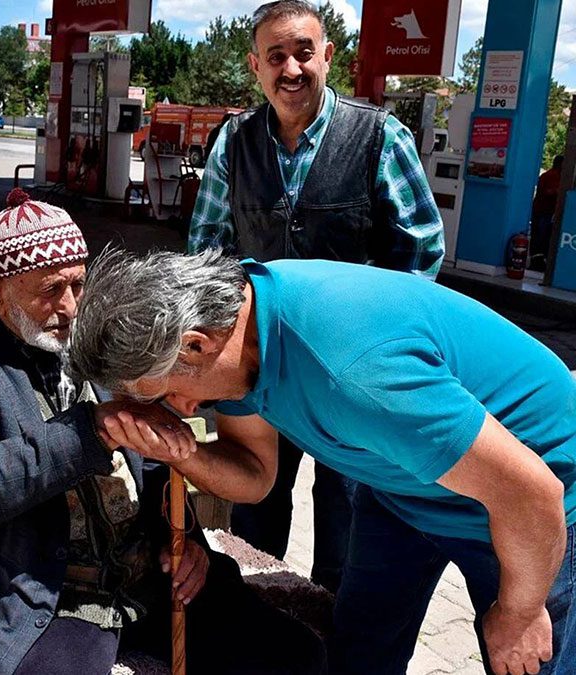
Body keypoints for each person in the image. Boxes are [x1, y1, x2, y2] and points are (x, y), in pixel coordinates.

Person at [67, 248, 576, 675]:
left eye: (171, 393)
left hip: (524, 507)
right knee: (358, 648)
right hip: (404, 487)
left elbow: (531, 491)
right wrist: (182, 451)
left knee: (523, 655)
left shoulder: (353, 373)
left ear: (196, 345)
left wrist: (521, 611)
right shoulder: (239, 333)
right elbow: (255, 475)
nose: (182, 410)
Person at [0, 189, 325, 675]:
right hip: (41, 591)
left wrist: (185, 542)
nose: (69, 307)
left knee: (294, 654)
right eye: (49, 290)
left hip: (145, 575)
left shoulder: (101, 333)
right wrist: (92, 428)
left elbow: (154, 461)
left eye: (78, 285)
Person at [186, 0, 447, 593]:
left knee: (348, 519)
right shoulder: (234, 142)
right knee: (251, 521)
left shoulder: (380, 135)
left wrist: (380, 348)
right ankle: (258, 625)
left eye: (304, 52)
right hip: (260, 373)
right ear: (255, 66)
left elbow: (422, 250)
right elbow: (206, 255)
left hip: (349, 374)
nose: (291, 68)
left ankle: (333, 631)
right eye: (275, 56)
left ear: (328, 56)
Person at [531, 155, 564, 271]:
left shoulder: (550, 176)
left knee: (542, 237)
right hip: (543, 211)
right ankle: (537, 261)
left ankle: (537, 260)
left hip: (544, 211)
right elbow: (546, 192)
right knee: (541, 237)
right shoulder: (551, 176)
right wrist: (557, 191)